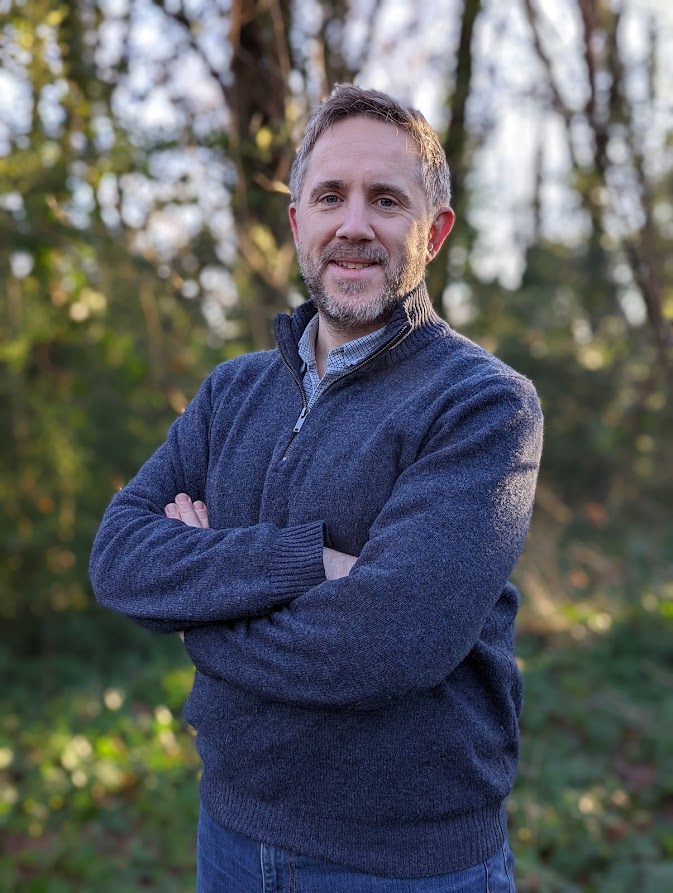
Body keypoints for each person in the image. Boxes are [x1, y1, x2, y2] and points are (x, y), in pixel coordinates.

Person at [90, 83, 543, 892]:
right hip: (229, 832)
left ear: (432, 232)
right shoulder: (232, 393)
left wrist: (197, 614)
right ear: (298, 220)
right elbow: (120, 556)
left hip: (407, 865)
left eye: (386, 199)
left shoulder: (483, 403)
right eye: (329, 195)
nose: (355, 224)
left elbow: (390, 641)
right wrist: (310, 561)